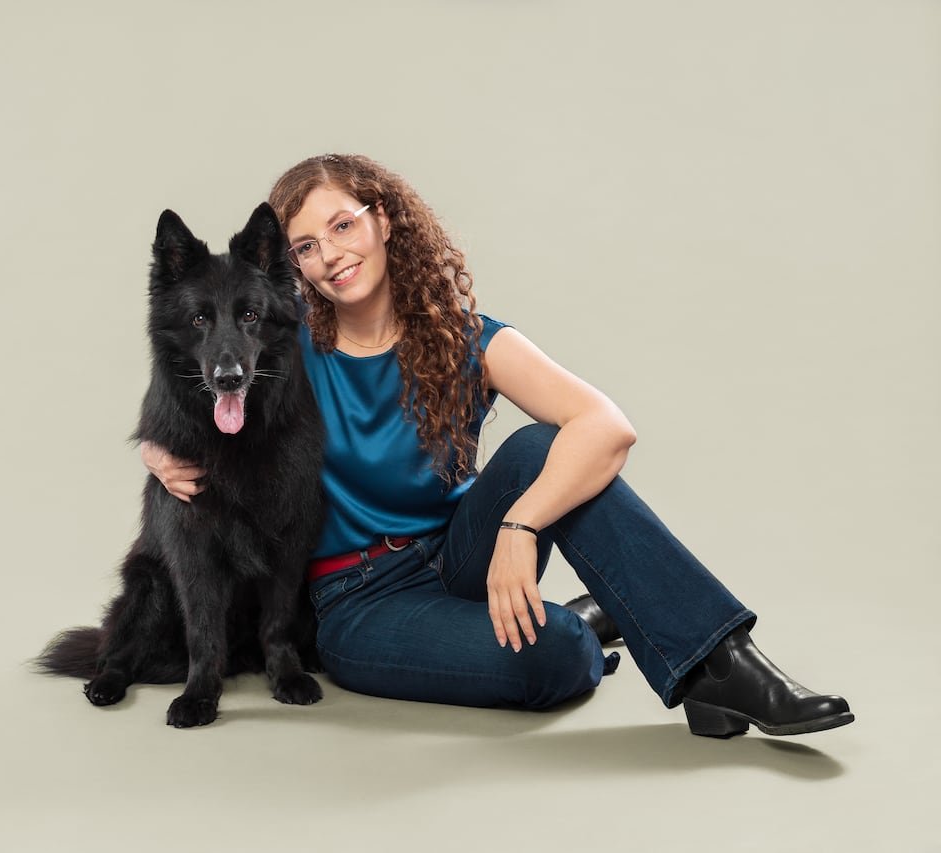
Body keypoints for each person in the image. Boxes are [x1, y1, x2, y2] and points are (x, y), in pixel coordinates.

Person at [141, 153, 852, 737]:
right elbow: (196, 395)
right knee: (561, 659)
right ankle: (584, 622)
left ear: (383, 220)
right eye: (306, 246)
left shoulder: (462, 338)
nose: (330, 255)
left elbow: (607, 426)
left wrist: (520, 524)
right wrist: (154, 453)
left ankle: (721, 663)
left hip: (462, 549)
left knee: (548, 444)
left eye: (342, 225)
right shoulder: (284, 347)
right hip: (359, 600)